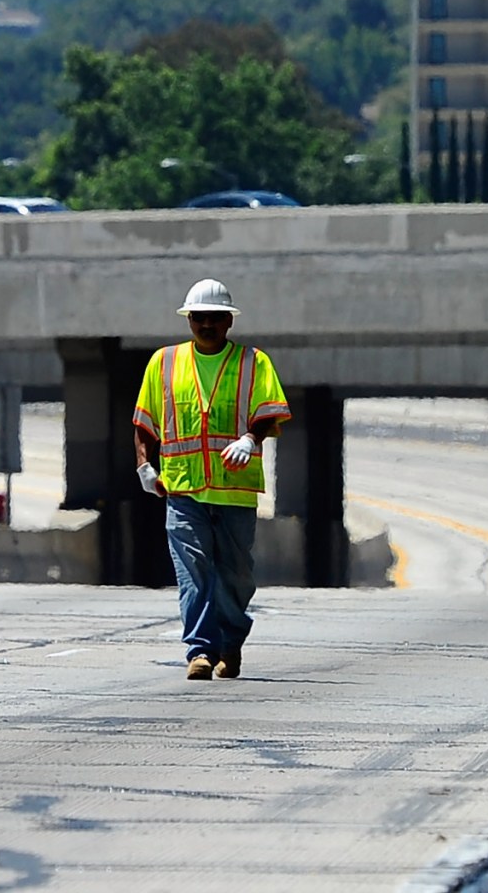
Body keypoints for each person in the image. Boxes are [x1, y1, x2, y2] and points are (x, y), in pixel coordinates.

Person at [133, 278, 290, 680]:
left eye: (214, 318)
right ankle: (200, 651)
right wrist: (144, 466)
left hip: (234, 489)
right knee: (193, 570)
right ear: (189, 320)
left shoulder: (253, 362)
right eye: (198, 318)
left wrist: (251, 439)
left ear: (228, 322)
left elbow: (269, 411)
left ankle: (230, 644)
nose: (206, 325)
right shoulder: (164, 363)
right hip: (183, 488)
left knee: (235, 576)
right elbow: (145, 422)